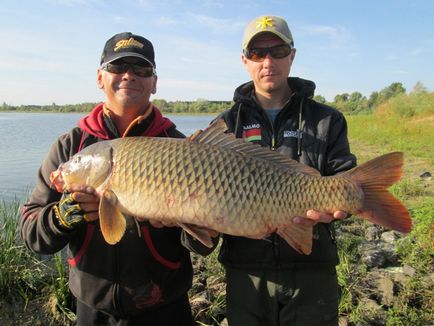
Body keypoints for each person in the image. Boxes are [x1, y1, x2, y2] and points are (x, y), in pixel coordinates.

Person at [19, 32, 212, 326]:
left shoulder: (180, 148)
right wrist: (60, 217)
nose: (129, 76)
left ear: (154, 82)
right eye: (118, 67)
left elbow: (201, 243)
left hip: (166, 306)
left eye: (141, 69)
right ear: (100, 77)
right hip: (94, 309)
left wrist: (194, 227)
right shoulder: (70, 147)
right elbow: (31, 233)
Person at [217, 15, 357, 325]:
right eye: (257, 54)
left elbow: (343, 174)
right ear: (245, 60)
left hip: (312, 267)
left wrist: (340, 206)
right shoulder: (226, 125)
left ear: (292, 56)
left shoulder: (326, 119)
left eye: (278, 51)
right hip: (245, 270)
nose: (268, 62)